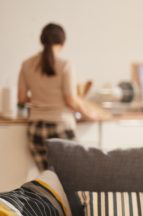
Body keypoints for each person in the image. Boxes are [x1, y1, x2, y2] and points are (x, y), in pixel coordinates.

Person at [18, 23, 98, 171]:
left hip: (35, 130)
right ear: (62, 43)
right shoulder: (65, 64)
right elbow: (71, 100)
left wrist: (40, 100)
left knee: (49, 181)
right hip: (60, 127)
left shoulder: (26, 64)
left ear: (42, 40)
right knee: (74, 177)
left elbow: (22, 98)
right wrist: (91, 114)